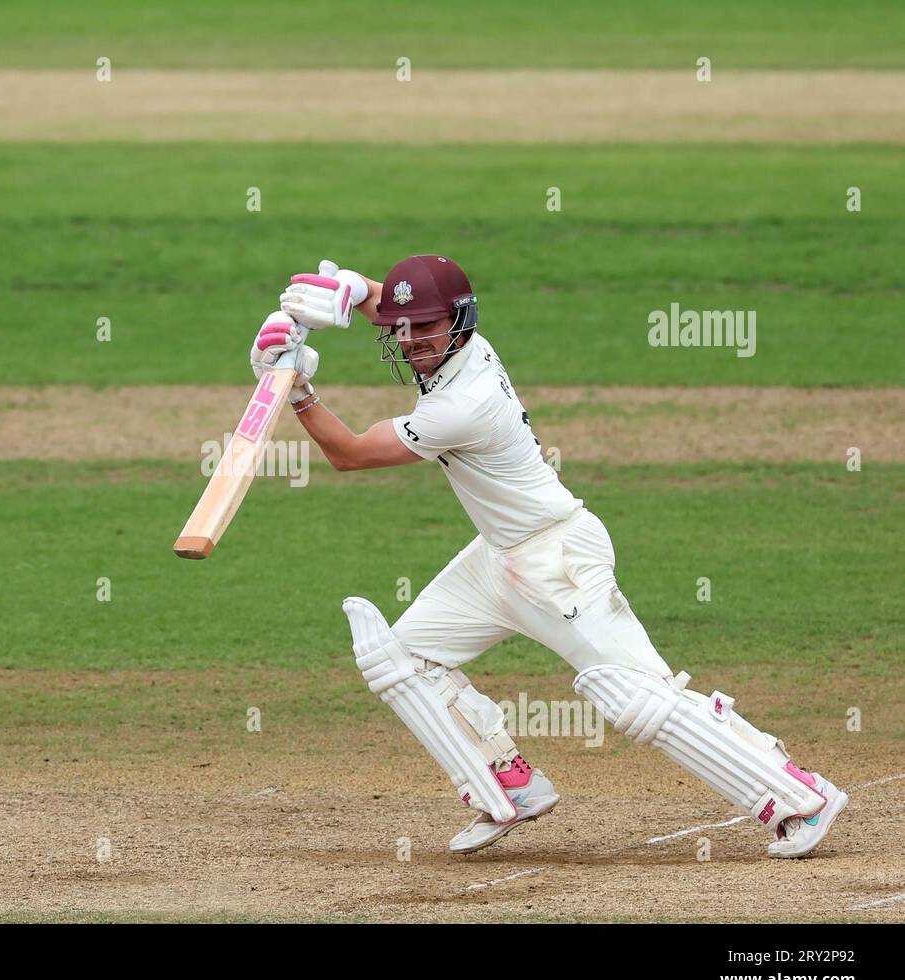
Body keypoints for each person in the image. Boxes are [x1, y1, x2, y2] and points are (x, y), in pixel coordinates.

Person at [248, 255, 848, 858]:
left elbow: (351, 453)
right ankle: (505, 786)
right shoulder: (459, 341)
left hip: (558, 557)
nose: (410, 342)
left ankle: (800, 795)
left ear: (459, 322)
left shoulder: (465, 402)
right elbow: (399, 305)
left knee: (635, 695)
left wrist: (299, 391)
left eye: (424, 329)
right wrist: (353, 288)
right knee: (404, 660)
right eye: (401, 328)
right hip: (500, 555)